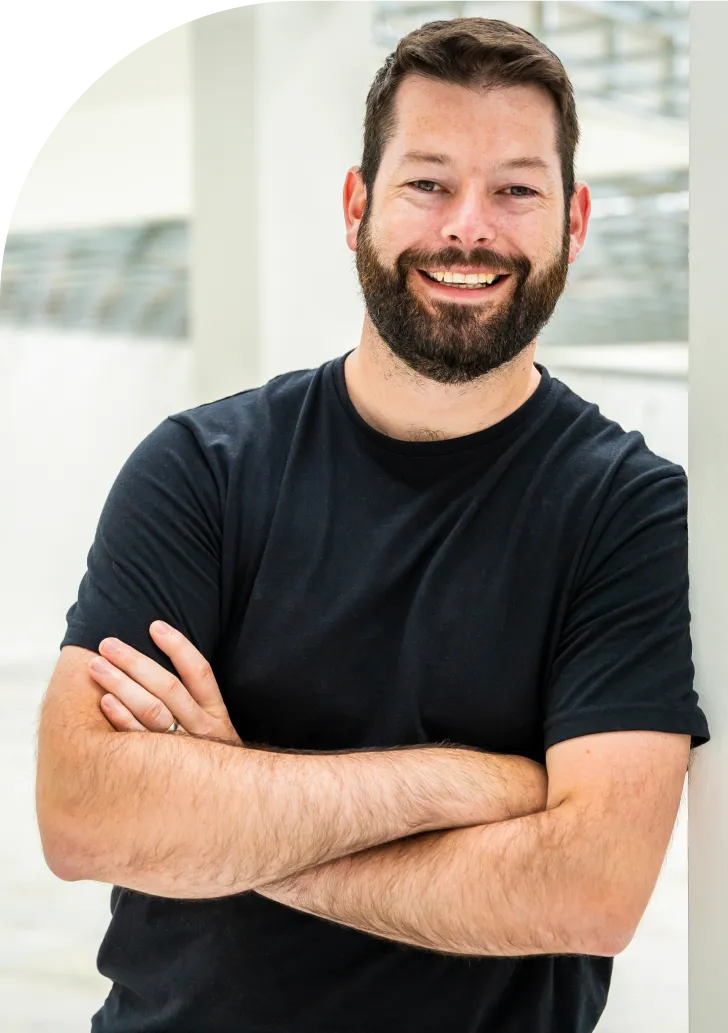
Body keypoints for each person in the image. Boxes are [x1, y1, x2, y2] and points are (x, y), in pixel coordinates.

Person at [35, 16, 709, 1033]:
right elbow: (85, 815)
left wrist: (231, 814)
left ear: (572, 221)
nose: (467, 227)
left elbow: (585, 889)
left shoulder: (629, 512)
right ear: (358, 204)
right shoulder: (199, 472)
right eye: (426, 181)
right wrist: (458, 783)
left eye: (514, 189)